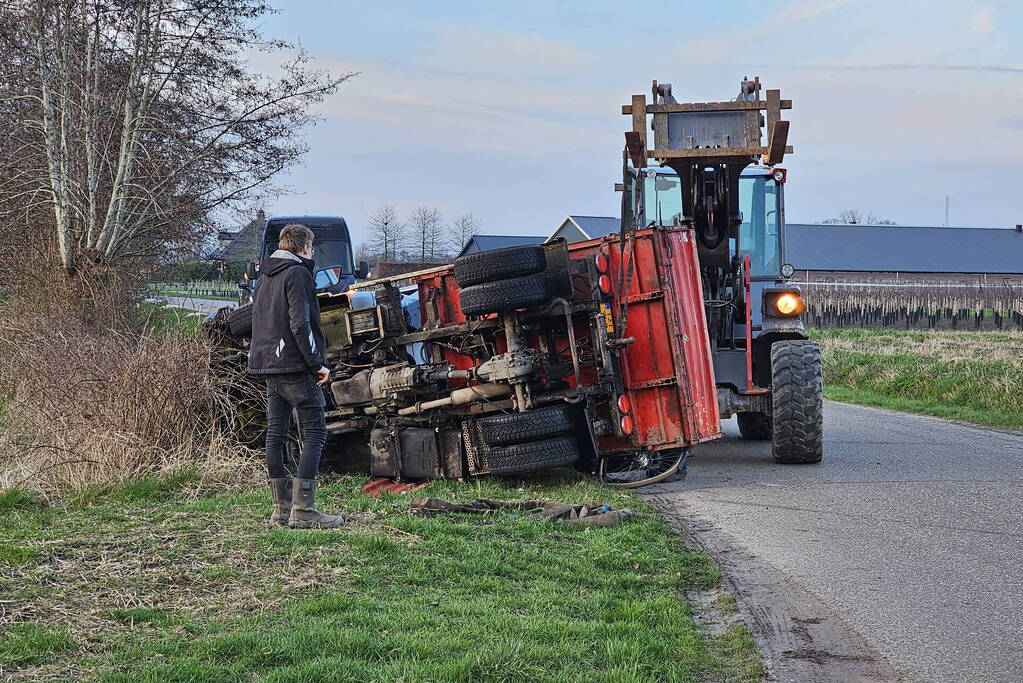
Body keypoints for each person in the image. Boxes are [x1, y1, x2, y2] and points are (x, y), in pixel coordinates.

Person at [247, 224, 343, 529]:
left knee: (276, 432)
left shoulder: (265, 276)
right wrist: (318, 364)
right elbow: (301, 324)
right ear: (303, 247)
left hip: (267, 364)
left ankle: (281, 509)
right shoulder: (298, 273)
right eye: (311, 248)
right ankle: (304, 511)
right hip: (295, 365)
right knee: (314, 433)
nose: (311, 253)